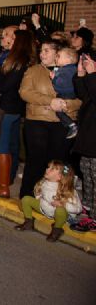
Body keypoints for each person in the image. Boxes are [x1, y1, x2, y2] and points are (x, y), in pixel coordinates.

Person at [19, 40, 82, 199]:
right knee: (35, 160)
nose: (42, 54)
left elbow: (82, 98)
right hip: (37, 120)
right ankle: (28, 197)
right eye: (41, 50)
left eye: (47, 51)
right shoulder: (33, 70)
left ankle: (55, 199)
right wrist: (50, 101)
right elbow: (25, 92)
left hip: (63, 123)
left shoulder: (75, 72)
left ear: (57, 53)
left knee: (57, 163)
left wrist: (65, 104)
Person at [0, 30, 35, 198]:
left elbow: (3, 86)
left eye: (14, 38)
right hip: (12, 108)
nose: (10, 39)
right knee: (6, 145)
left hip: (7, 108)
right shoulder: (21, 60)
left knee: (2, 146)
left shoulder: (18, 61)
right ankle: (2, 181)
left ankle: (3, 187)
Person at [14, 160, 82, 242]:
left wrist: (63, 204)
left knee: (60, 211)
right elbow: (40, 193)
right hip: (43, 208)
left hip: (56, 213)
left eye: (52, 169)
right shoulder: (44, 182)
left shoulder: (68, 191)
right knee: (26, 199)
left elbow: (79, 209)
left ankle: (57, 229)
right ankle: (29, 222)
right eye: (48, 167)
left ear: (60, 177)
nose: (47, 169)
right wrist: (38, 196)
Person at [70, 52, 96, 232]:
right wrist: (80, 75)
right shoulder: (92, 80)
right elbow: (85, 96)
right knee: (87, 176)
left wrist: (92, 75)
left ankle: (95, 218)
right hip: (88, 138)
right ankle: (88, 211)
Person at [50, 47, 79, 139]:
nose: (56, 58)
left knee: (58, 110)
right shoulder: (71, 69)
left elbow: (61, 83)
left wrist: (54, 78)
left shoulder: (67, 70)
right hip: (69, 93)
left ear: (68, 59)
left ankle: (71, 125)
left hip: (66, 94)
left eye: (59, 56)